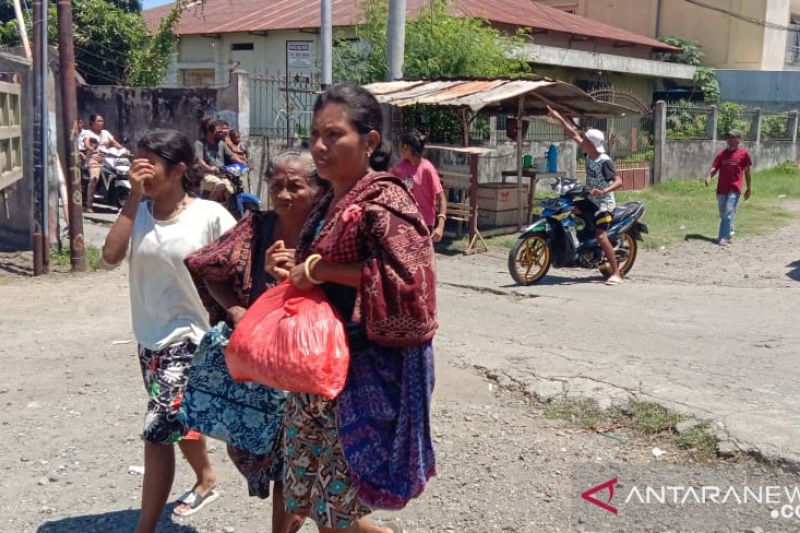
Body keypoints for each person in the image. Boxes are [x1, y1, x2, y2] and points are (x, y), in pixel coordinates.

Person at [184, 151, 396, 533]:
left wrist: (305, 274)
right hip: (267, 372)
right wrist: (235, 309)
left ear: (317, 191)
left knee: (298, 474)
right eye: (277, 185)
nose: (284, 194)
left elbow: (368, 284)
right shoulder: (256, 228)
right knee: (293, 475)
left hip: (317, 376)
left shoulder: (332, 234)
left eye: (295, 186)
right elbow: (205, 265)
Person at [285, 82, 437, 533]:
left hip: (362, 372)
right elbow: (318, 269)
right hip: (317, 367)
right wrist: (296, 271)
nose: (319, 146)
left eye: (333, 135)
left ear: (370, 142)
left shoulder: (386, 199)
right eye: (315, 134)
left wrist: (324, 270)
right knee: (317, 493)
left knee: (335, 498)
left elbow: (409, 283)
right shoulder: (327, 202)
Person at [101, 129, 235, 533]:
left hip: (193, 340)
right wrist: (133, 197)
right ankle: (207, 478)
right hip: (149, 337)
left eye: (150, 161)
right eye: (137, 160)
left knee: (158, 429)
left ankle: (144, 529)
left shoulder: (209, 215)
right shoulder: (137, 212)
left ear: (178, 170)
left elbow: (239, 266)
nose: (141, 167)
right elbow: (109, 256)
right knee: (178, 418)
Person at [547, 106, 624, 285]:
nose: (583, 140)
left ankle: (616, 273)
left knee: (601, 236)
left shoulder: (604, 161)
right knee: (566, 210)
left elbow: (619, 181)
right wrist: (559, 117)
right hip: (591, 199)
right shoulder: (589, 152)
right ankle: (580, 245)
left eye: (586, 139)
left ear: (591, 143)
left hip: (604, 204)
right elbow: (572, 133)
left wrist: (603, 191)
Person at [391, 130, 447, 241]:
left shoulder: (427, 169)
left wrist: (440, 226)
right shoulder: (399, 167)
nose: (399, 150)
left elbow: (442, 199)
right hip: (405, 223)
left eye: (400, 146)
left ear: (405, 147)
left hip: (424, 224)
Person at [704, 129, 752, 246]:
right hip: (721, 189)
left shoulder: (744, 154)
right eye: (728, 137)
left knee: (728, 212)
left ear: (738, 140)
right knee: (723, 212)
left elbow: (747, 172)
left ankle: (722, 237)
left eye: (732, 137)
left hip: (735, 188)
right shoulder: (722, 154)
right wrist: (709, 176)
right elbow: (716, 167)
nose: (729, 140)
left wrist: (749, 188)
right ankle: (729, 230)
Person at [194, 117, 244, 202]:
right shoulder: (199, 143)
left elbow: (232, 156)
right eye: (218, 130)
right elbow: (199, 160)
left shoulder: (221, 143)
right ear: (210, 131)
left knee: (231, 190)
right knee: (220, 185)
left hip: (221, 175)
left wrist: (243, 163)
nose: (221, 132)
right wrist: (210, 168)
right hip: (205, 175)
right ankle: (209, 208)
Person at [82, 113, 124, 212]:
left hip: (108, 158)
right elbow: (86, 143)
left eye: (102, 121)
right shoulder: (88, 133)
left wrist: (124, 150)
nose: (101, 123)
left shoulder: (105, 133)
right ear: (92, 122)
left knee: (120, 173)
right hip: (94, 158)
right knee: (94, 179)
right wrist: (92, 149)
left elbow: (114, 143)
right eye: (98, 121)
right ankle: (89, 205)